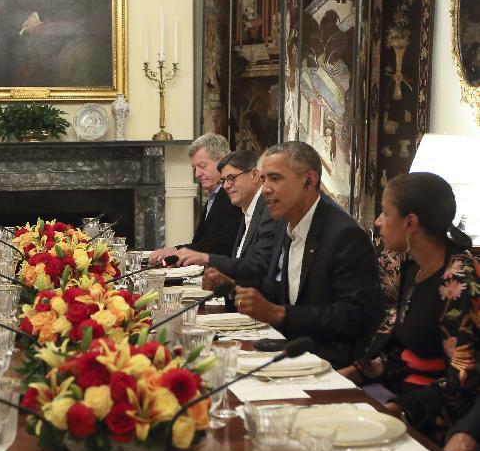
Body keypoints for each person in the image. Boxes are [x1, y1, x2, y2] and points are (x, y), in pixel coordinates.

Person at [339, 173, 478, 442]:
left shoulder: (459, 280)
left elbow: (464, 379)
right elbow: (398, 347)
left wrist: (398, 410)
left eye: (384, 212)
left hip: (437, 424)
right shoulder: (414, 270)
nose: (378, 221)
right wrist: (353, 372)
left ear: (410, 222)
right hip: (396, 398)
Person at [233, 141, 383, 368]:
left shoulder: (344, 235)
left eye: (275, 178)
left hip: (333, 365)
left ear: (309, 181)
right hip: (293, 355)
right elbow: (295, 292)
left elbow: (357, 317)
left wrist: (279, 313)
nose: (265, 189)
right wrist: (235, 286)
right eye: (263, 179)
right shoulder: (289, 226)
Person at [176, 149, 280, 285]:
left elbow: (259, 266)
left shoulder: (268, 210)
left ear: (254, 175)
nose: (225, 186)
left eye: (231, 178)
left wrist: (207, 258)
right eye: (223, 180)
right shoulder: (246, 209)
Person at [149, 133, 243, 264]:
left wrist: (176, 251)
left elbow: (221, 246)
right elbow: (203, 243)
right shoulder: (214, 194)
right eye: (194, 168)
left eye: (202, 166)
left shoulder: (233, 196)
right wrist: (175, 251)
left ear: (222, 161)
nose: (197, 174)